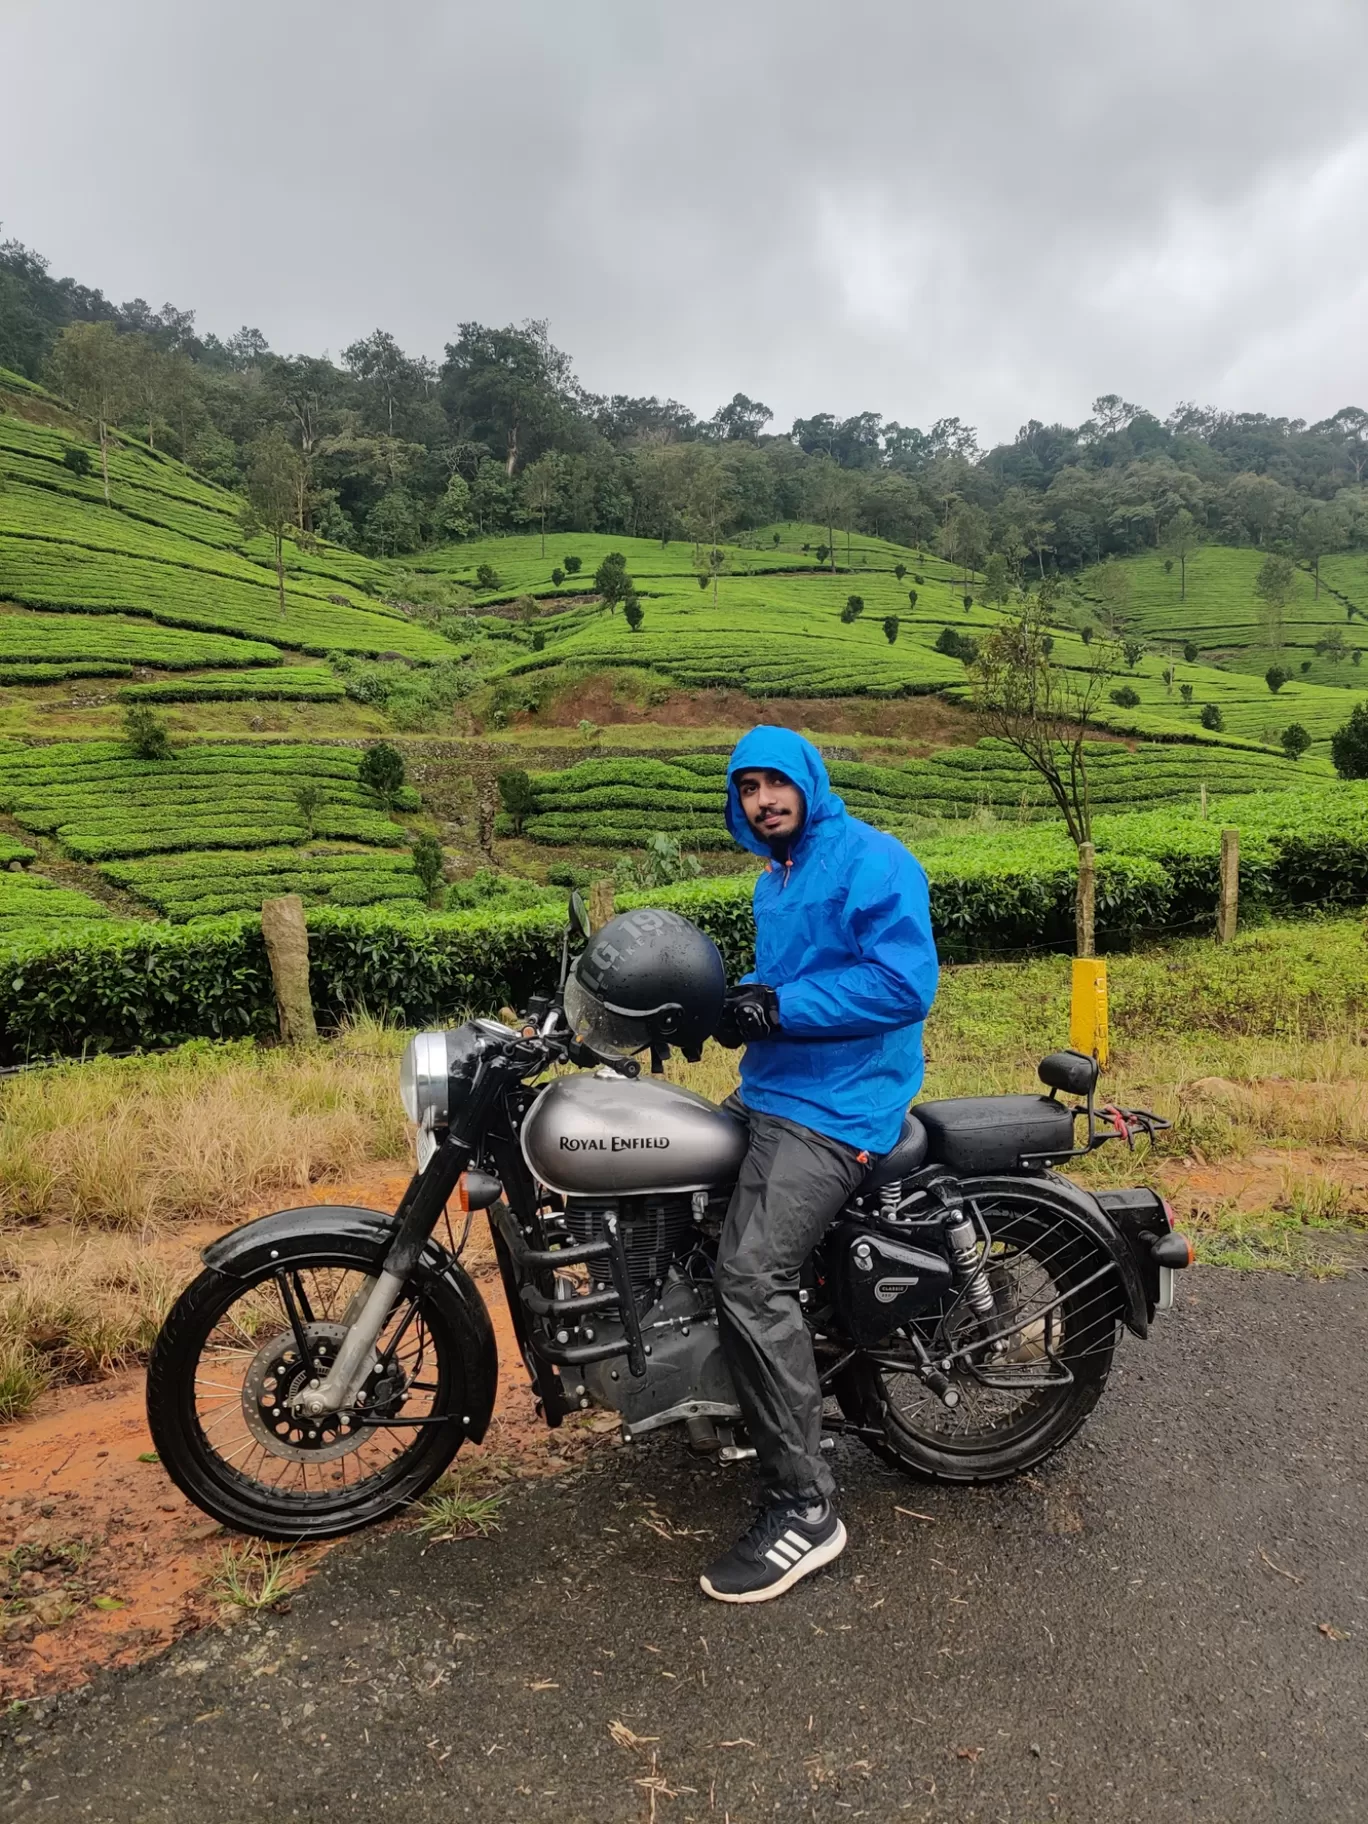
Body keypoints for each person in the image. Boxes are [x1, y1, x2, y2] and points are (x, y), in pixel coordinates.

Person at [699, 727, 939, 1603]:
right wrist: (724, 1009)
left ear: (807, 780)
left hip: (841, 1103)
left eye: (774, 782)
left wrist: (780, 1004)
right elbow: (783, 987)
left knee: (752, 1274)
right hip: (774, 1087)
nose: (763, 800)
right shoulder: (778, 878)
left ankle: (805, 1508)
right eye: (746, 788)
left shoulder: (871, 860)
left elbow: (904, 983)